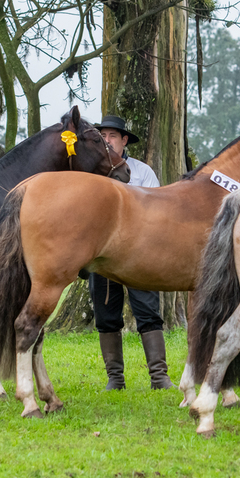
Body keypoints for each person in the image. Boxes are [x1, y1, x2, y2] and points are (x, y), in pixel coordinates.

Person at [89, 115, 173, 390]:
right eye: (103, 136)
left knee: (148, 312)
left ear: (124, 140)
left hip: (139, 252)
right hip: (102, 254)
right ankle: (115, 378)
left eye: (112, 136)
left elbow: (159, 211)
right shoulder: (90, 174)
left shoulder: (143, 172)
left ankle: (159, 377)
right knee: (105, 315)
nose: (107, 141)